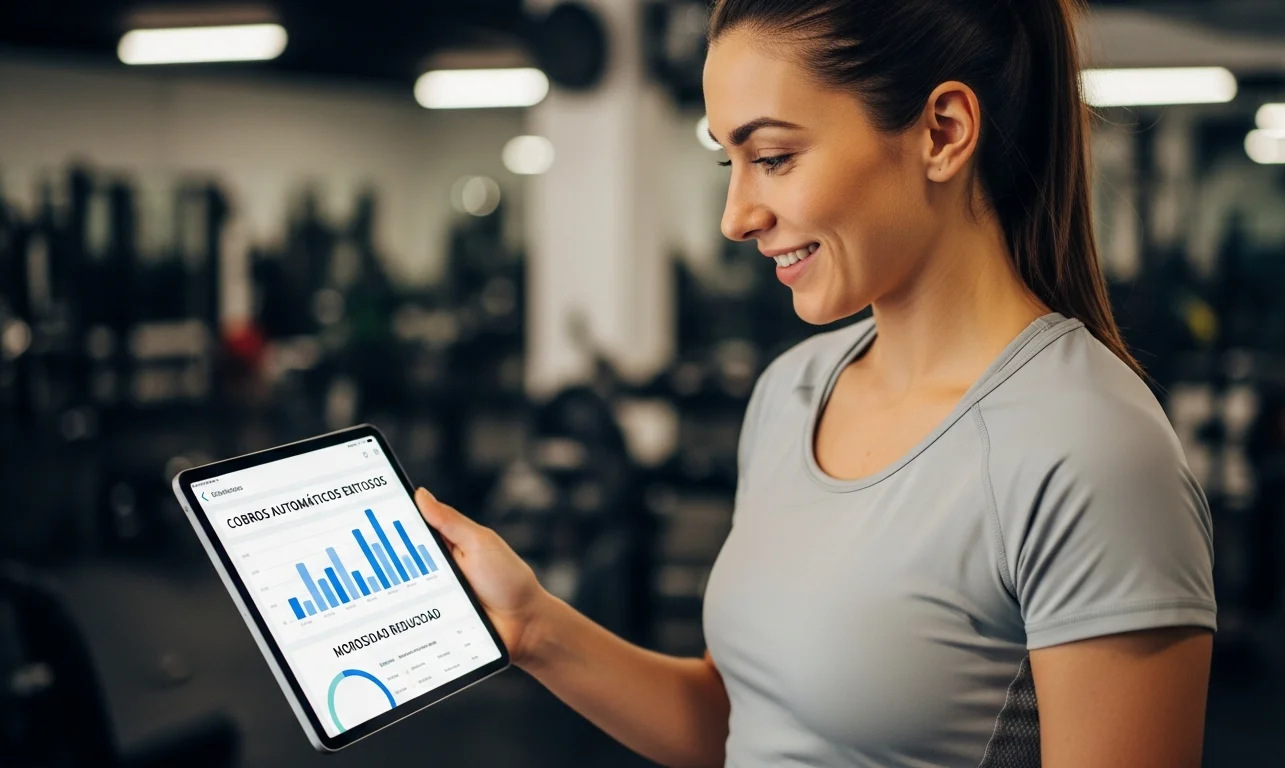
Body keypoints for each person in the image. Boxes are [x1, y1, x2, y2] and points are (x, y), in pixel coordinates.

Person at [415, 0, 1217, 765]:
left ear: (942, 132)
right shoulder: (792, 392)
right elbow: (741, 724)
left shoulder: (1090, 451)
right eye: (728, 161)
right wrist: (535, 628)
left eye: (772, 158)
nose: (736, 216)